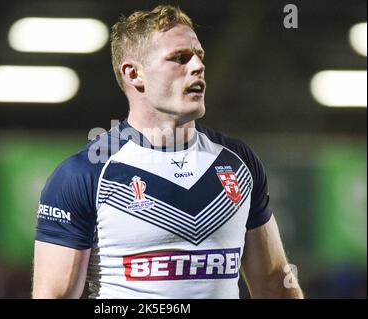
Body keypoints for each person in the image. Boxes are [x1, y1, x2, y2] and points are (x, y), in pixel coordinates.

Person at [32, 4, 303, 299]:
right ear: (134, 73)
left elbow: (274, 281)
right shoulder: (85, 173)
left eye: (199, 56)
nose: (198, 66)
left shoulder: (238, 162)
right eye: (179, 58)